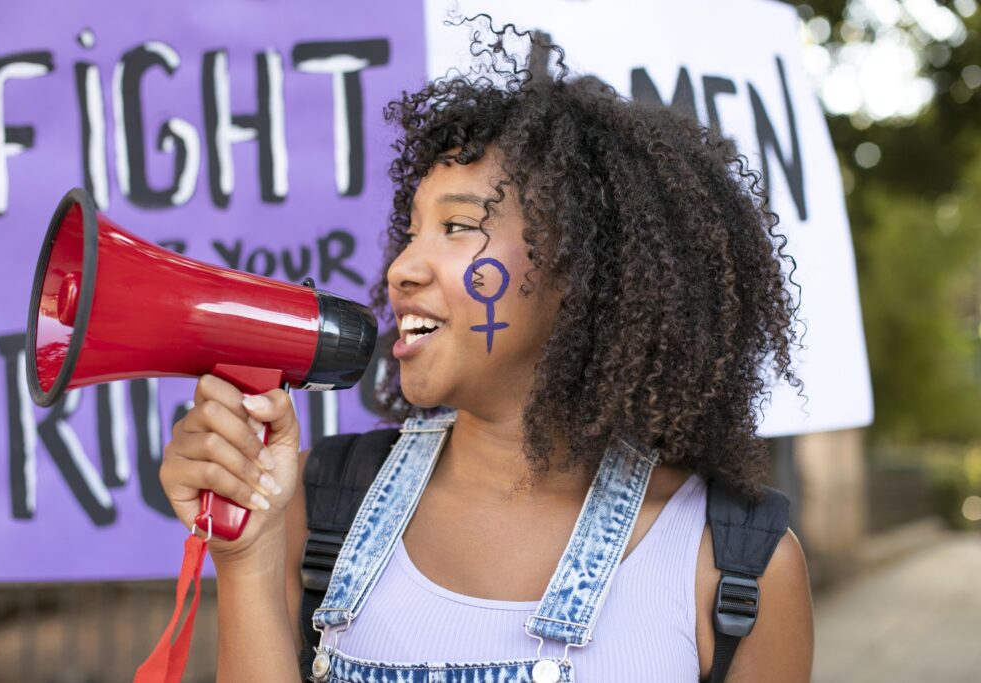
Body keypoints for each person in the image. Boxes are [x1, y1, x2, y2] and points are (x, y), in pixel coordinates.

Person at [159, 18, 814, 682]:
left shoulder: (733, 564)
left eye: (459, 227)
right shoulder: (318, 503)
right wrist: (246, 556)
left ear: (581, 270)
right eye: (412, 231)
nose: (402, 269)